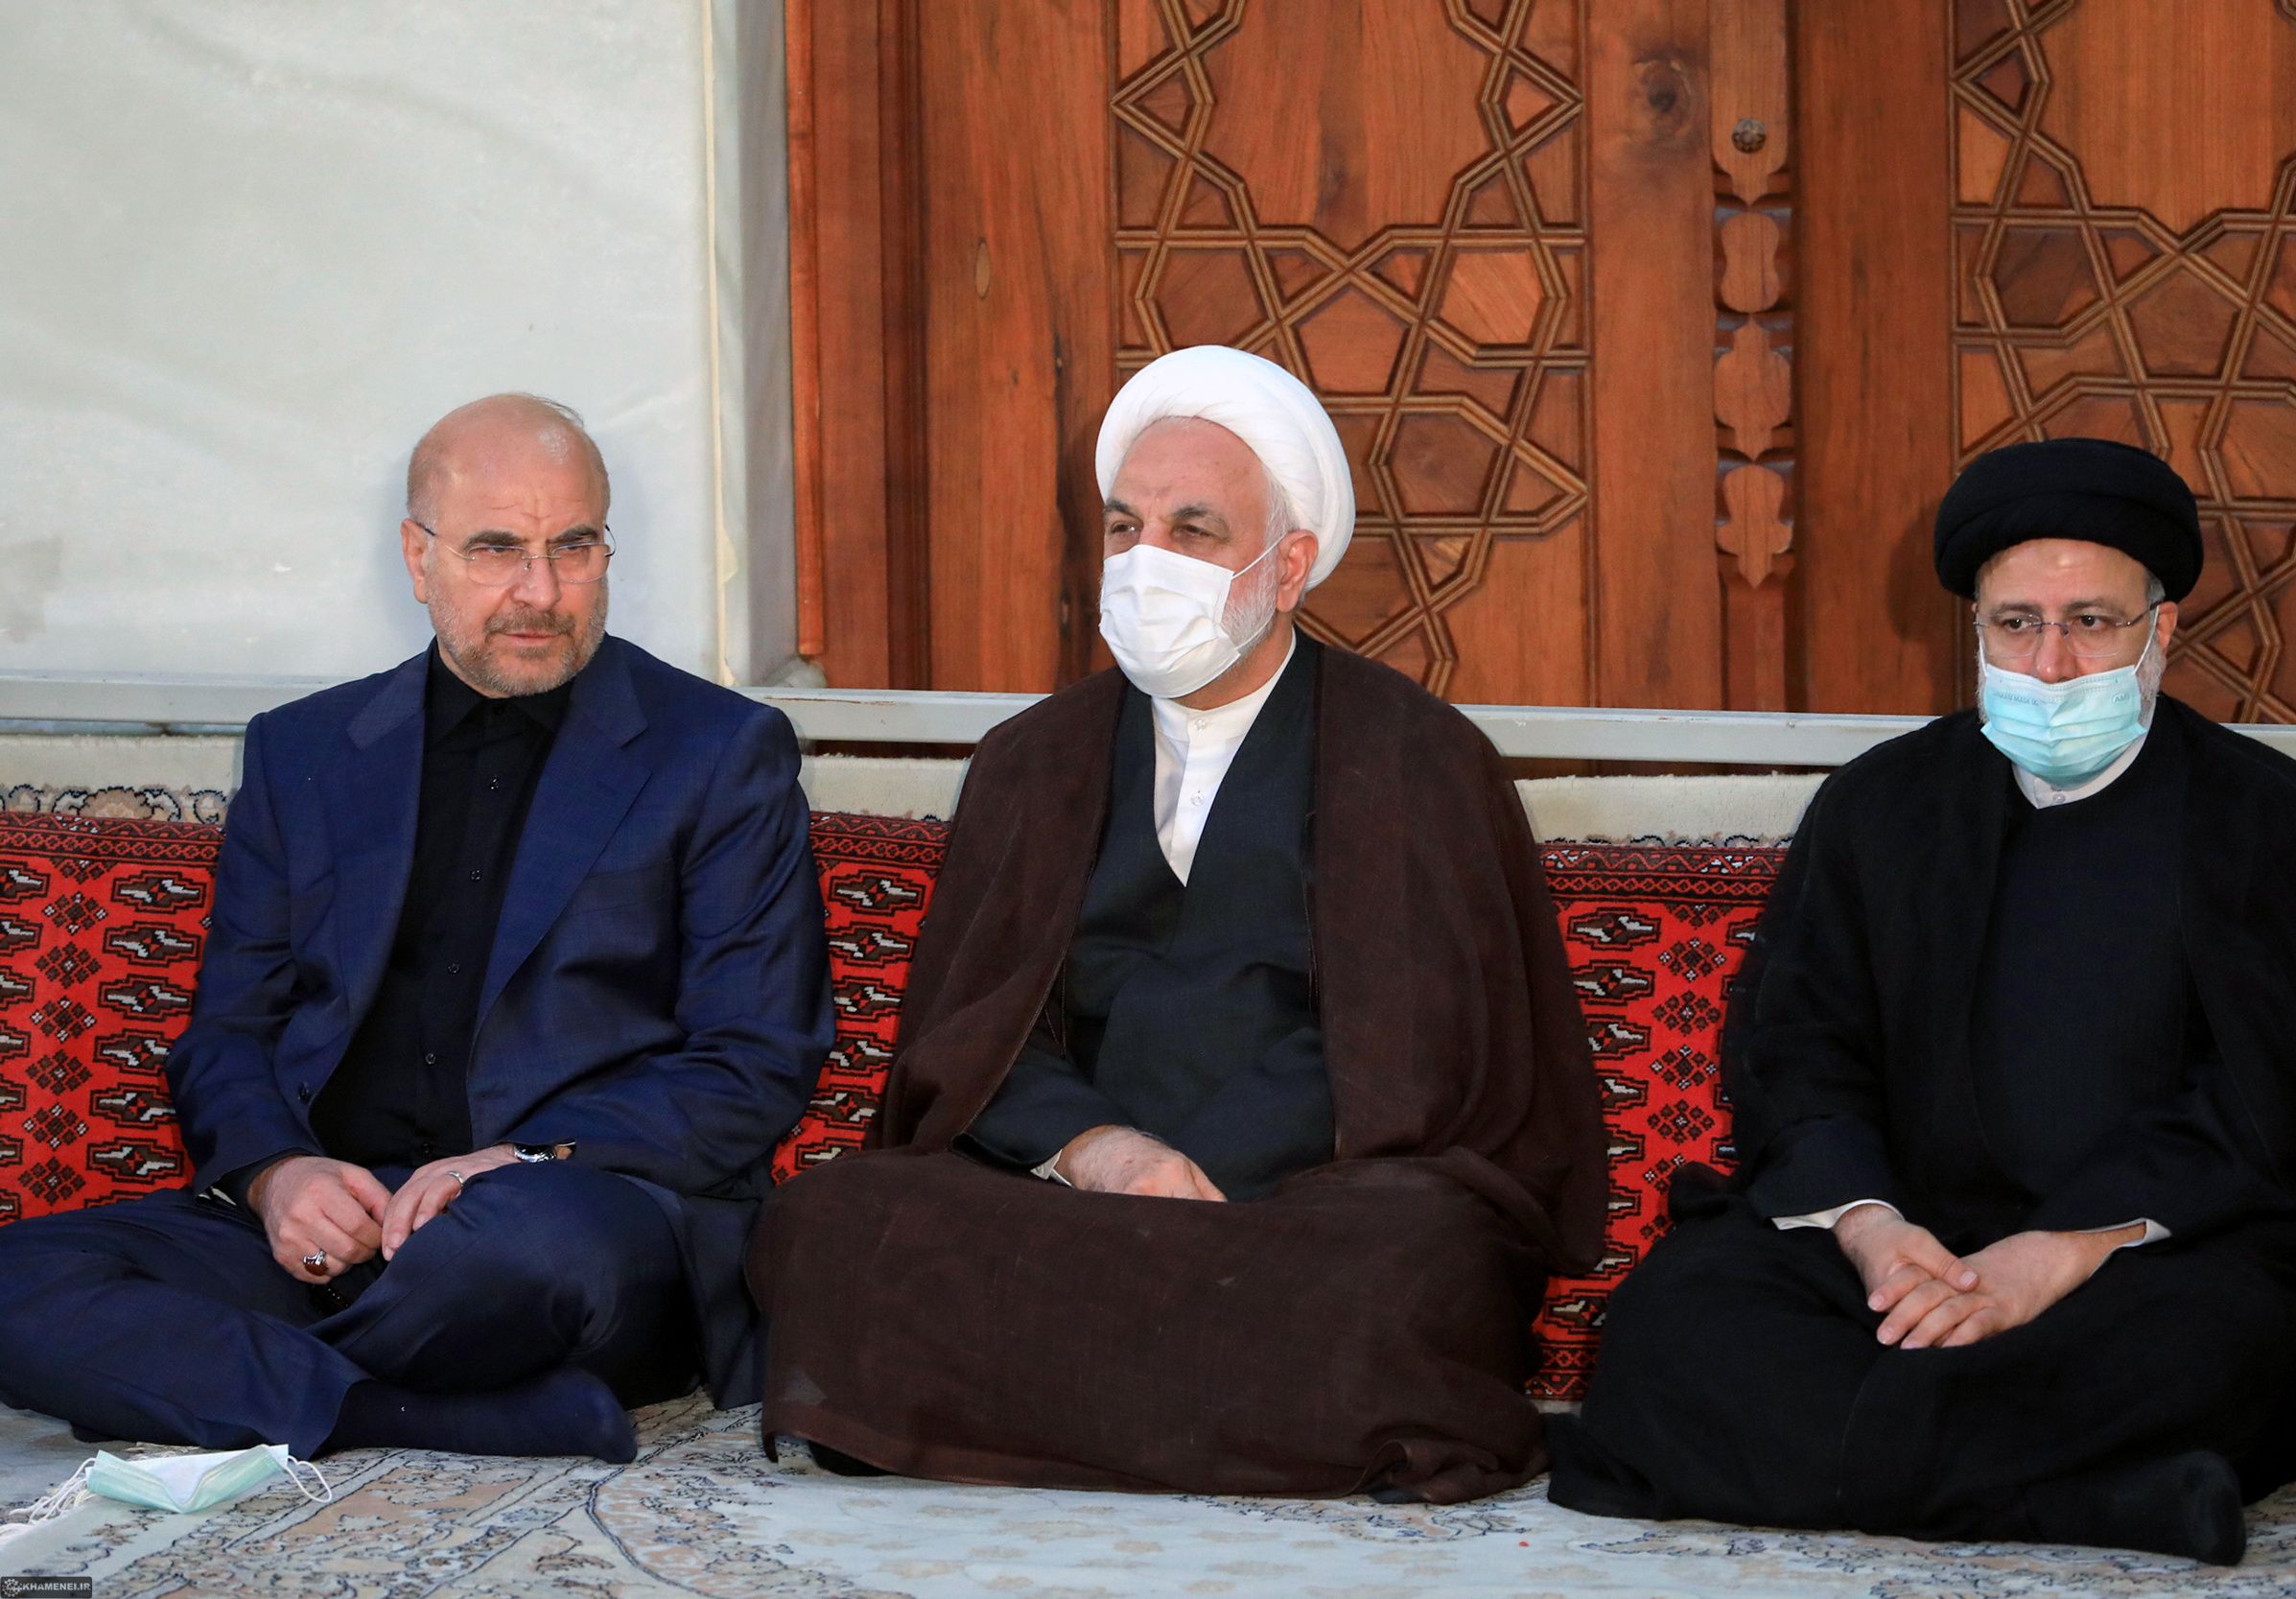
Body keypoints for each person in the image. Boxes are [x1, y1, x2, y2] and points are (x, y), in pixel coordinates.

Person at [747, 344, 1606, 1503]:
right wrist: (1101, 1151)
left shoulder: (1412, 754)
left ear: (1286, 565)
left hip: (1305, 1202)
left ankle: (1023, 1408)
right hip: (1072, 1198)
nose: (1146, 560)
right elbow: (973, 1030)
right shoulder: (1031, 758)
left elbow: (1417, 1053)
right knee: (834, 1221)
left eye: (1193, 530)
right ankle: (1223, 1415)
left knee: (1412, 1260)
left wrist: (1202, 1177)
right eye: (1124, 527)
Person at [1546, 436, 2296, 1564]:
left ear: (2162, 629)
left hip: (2160, 1253)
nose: (2049, 663)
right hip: (1911, 1247)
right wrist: (1872, 1230)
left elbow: (2279, 1105)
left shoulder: (2266, 821)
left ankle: (1837, 1459)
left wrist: (2058, 1251)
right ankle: (2090, 1495)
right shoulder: (1881, 805)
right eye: (2016, 623)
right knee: (1677, 1321)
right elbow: (1799, 1052)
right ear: (1977, 631)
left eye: (2090, 621)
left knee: (2228, 1345)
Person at [0, 393, 832, 1461]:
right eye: (496, 548)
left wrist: (520, 1157)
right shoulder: (305, 750)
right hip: (341, 1224)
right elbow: (230, 1031)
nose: (541, 591)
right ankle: (411, 1411)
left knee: (520, 1252)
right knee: (18, 1278)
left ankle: (218, 1375)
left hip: (574, 1214)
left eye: (574, 547)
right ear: (418, 555)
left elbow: (755, 1057)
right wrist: (277, 1176)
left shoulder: (717, 751)